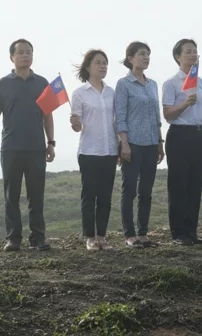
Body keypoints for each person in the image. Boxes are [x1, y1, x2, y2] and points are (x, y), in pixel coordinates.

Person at [0, 39, 55, 252]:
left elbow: (48, 115)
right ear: (12, 57)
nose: (25, 56)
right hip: (10, 148)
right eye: (20, 52)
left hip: (36, 147)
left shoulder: (42, 83)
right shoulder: (2, 84)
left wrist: (51, 143)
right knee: (11, 196)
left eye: (29, 52)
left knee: (37, 196)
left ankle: (38, 238)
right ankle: (13, 239)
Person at [162, 39, 202, 246]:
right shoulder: (171, 83)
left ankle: (192, 230)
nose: (193, 55)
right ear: (178, 57)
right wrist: (184, 104)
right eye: (188, 52)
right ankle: (178, 232)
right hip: (179, 135)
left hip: (198, 135)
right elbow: (168, 115)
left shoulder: (200, 82)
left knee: (195, 185)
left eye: (195, 51)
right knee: (179, 185)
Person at [114, 41, 164, 248]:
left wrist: (160, 142)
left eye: (148, 55)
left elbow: (156, 116)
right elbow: (121, 116)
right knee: (129, 190)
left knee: (146, 190)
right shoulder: (123, 84)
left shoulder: (152, 84)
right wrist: (123, 142)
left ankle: (143, 233)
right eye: (142, 54)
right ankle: (130, 235)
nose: (146, 58)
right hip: (132, 144)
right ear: (130, 58)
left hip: (152, 142)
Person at [70, 49, 118, 251]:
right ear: (88, 67)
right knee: (89, 195)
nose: (103, 66)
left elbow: (116, 121)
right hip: (89, 150)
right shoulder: (80, 93)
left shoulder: (111, 92)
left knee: (105, 196)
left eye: (105, 63)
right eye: (98, 62)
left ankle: (102, 236)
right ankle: (89, 237)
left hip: (109, 150)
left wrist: (120, 144)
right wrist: (75, 123)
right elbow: (77, 126)